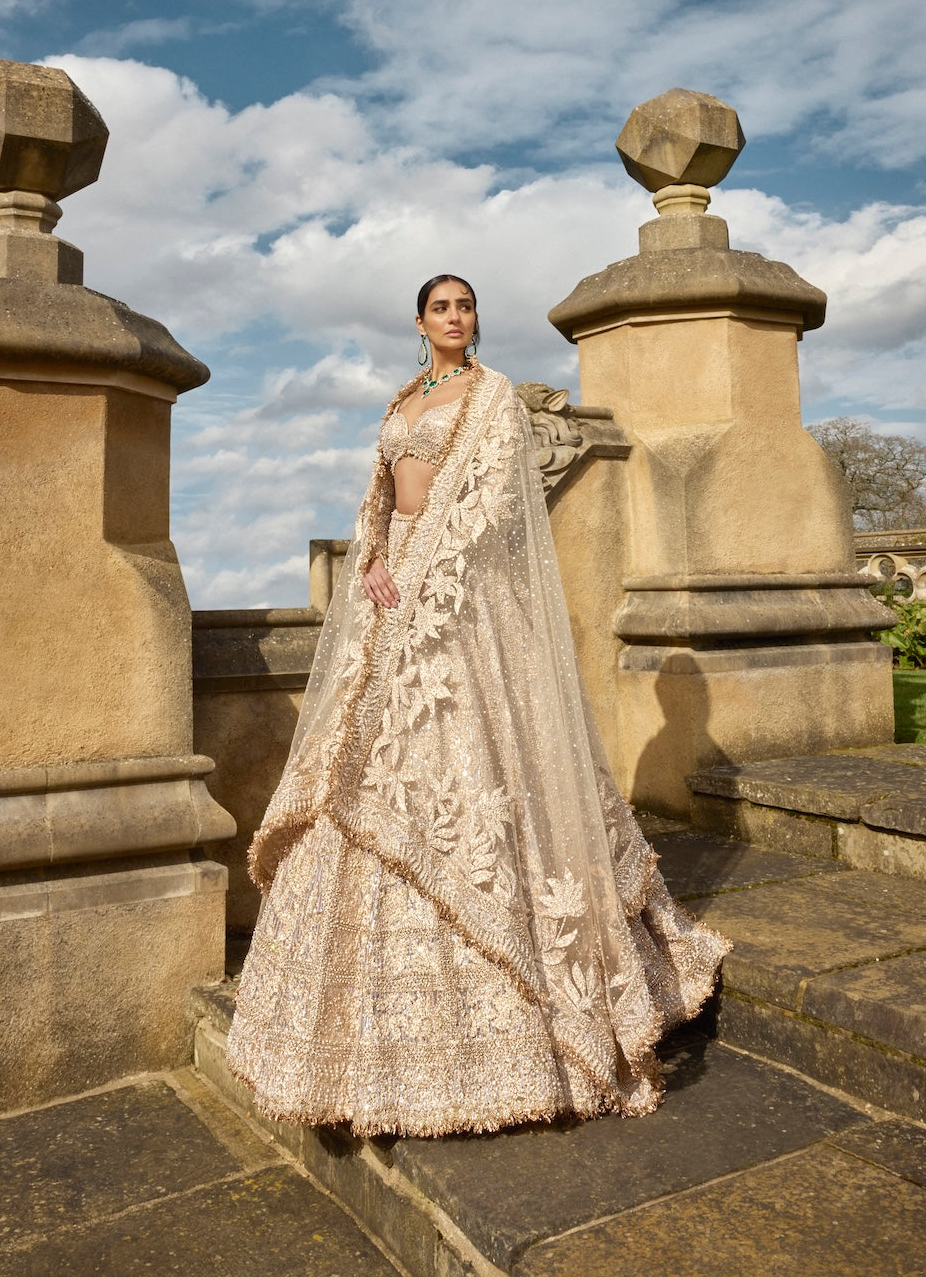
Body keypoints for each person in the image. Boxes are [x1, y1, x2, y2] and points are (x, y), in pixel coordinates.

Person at [227, 273, 730, 1136]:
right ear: (418, 322)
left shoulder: (493, 397)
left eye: (465, 306)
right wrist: (377, 554)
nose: (455, 318)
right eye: (440, 307)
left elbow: (495, 503)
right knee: (362, 766)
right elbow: (380, 493)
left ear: (473, 320)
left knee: (465, 761)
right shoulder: (405, 395)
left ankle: (540, 1006)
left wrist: (426, 576)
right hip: (391, 592)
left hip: (458, 597)